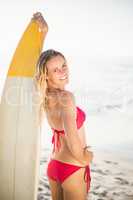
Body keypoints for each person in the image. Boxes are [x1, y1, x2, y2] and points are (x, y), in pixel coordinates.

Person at [35, 12, 93, 200]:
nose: (63, 71)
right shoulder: (66, 98)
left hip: (54, 167)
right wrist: (85, 158)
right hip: (72, 167)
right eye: (55, 69)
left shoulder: (43, 95)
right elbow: (72, 137)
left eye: (64, 65)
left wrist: (41, 33)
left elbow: (37, 66)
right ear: (46, 75)